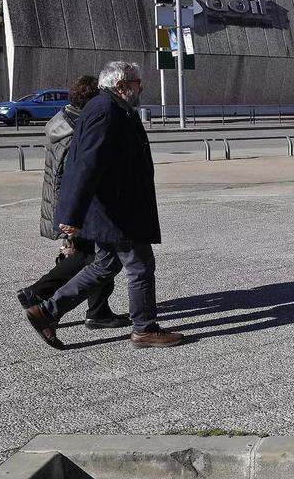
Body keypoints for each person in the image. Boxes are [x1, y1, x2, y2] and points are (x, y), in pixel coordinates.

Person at [25, 61, 181, 350]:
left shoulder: (113, 108)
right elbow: (85, 165)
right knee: (140, 267)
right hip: (118, 210)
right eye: (137, 83)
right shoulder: (106, 111)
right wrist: (72, 215)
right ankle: (144, 329)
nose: (140, 88)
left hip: (116, 207)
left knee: (103, 266)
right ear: (121, 85)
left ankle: (45, 311)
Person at [17, 75, 128, 331]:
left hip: (69, 206)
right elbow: (77, 176)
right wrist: (73, 217)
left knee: (93, 256)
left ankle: (97, 310)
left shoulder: (64, 121)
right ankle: (38, 294)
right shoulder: (81, 128)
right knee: (93, 257)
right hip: (81, 208)